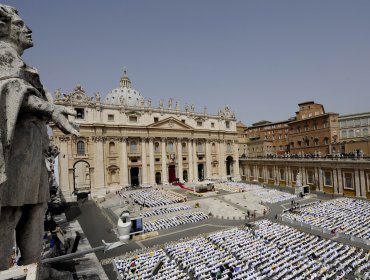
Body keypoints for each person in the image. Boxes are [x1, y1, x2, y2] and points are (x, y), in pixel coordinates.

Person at [0, 4, 79, 270]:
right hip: (16, 153)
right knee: (10, 211)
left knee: (35, 210)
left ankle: (34, 268)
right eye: (21, 25)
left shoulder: (21, 63)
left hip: (32, 150)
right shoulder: (2, 57)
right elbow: (10, 90)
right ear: (3, 28)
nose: (28, 29)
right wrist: (49, 108)